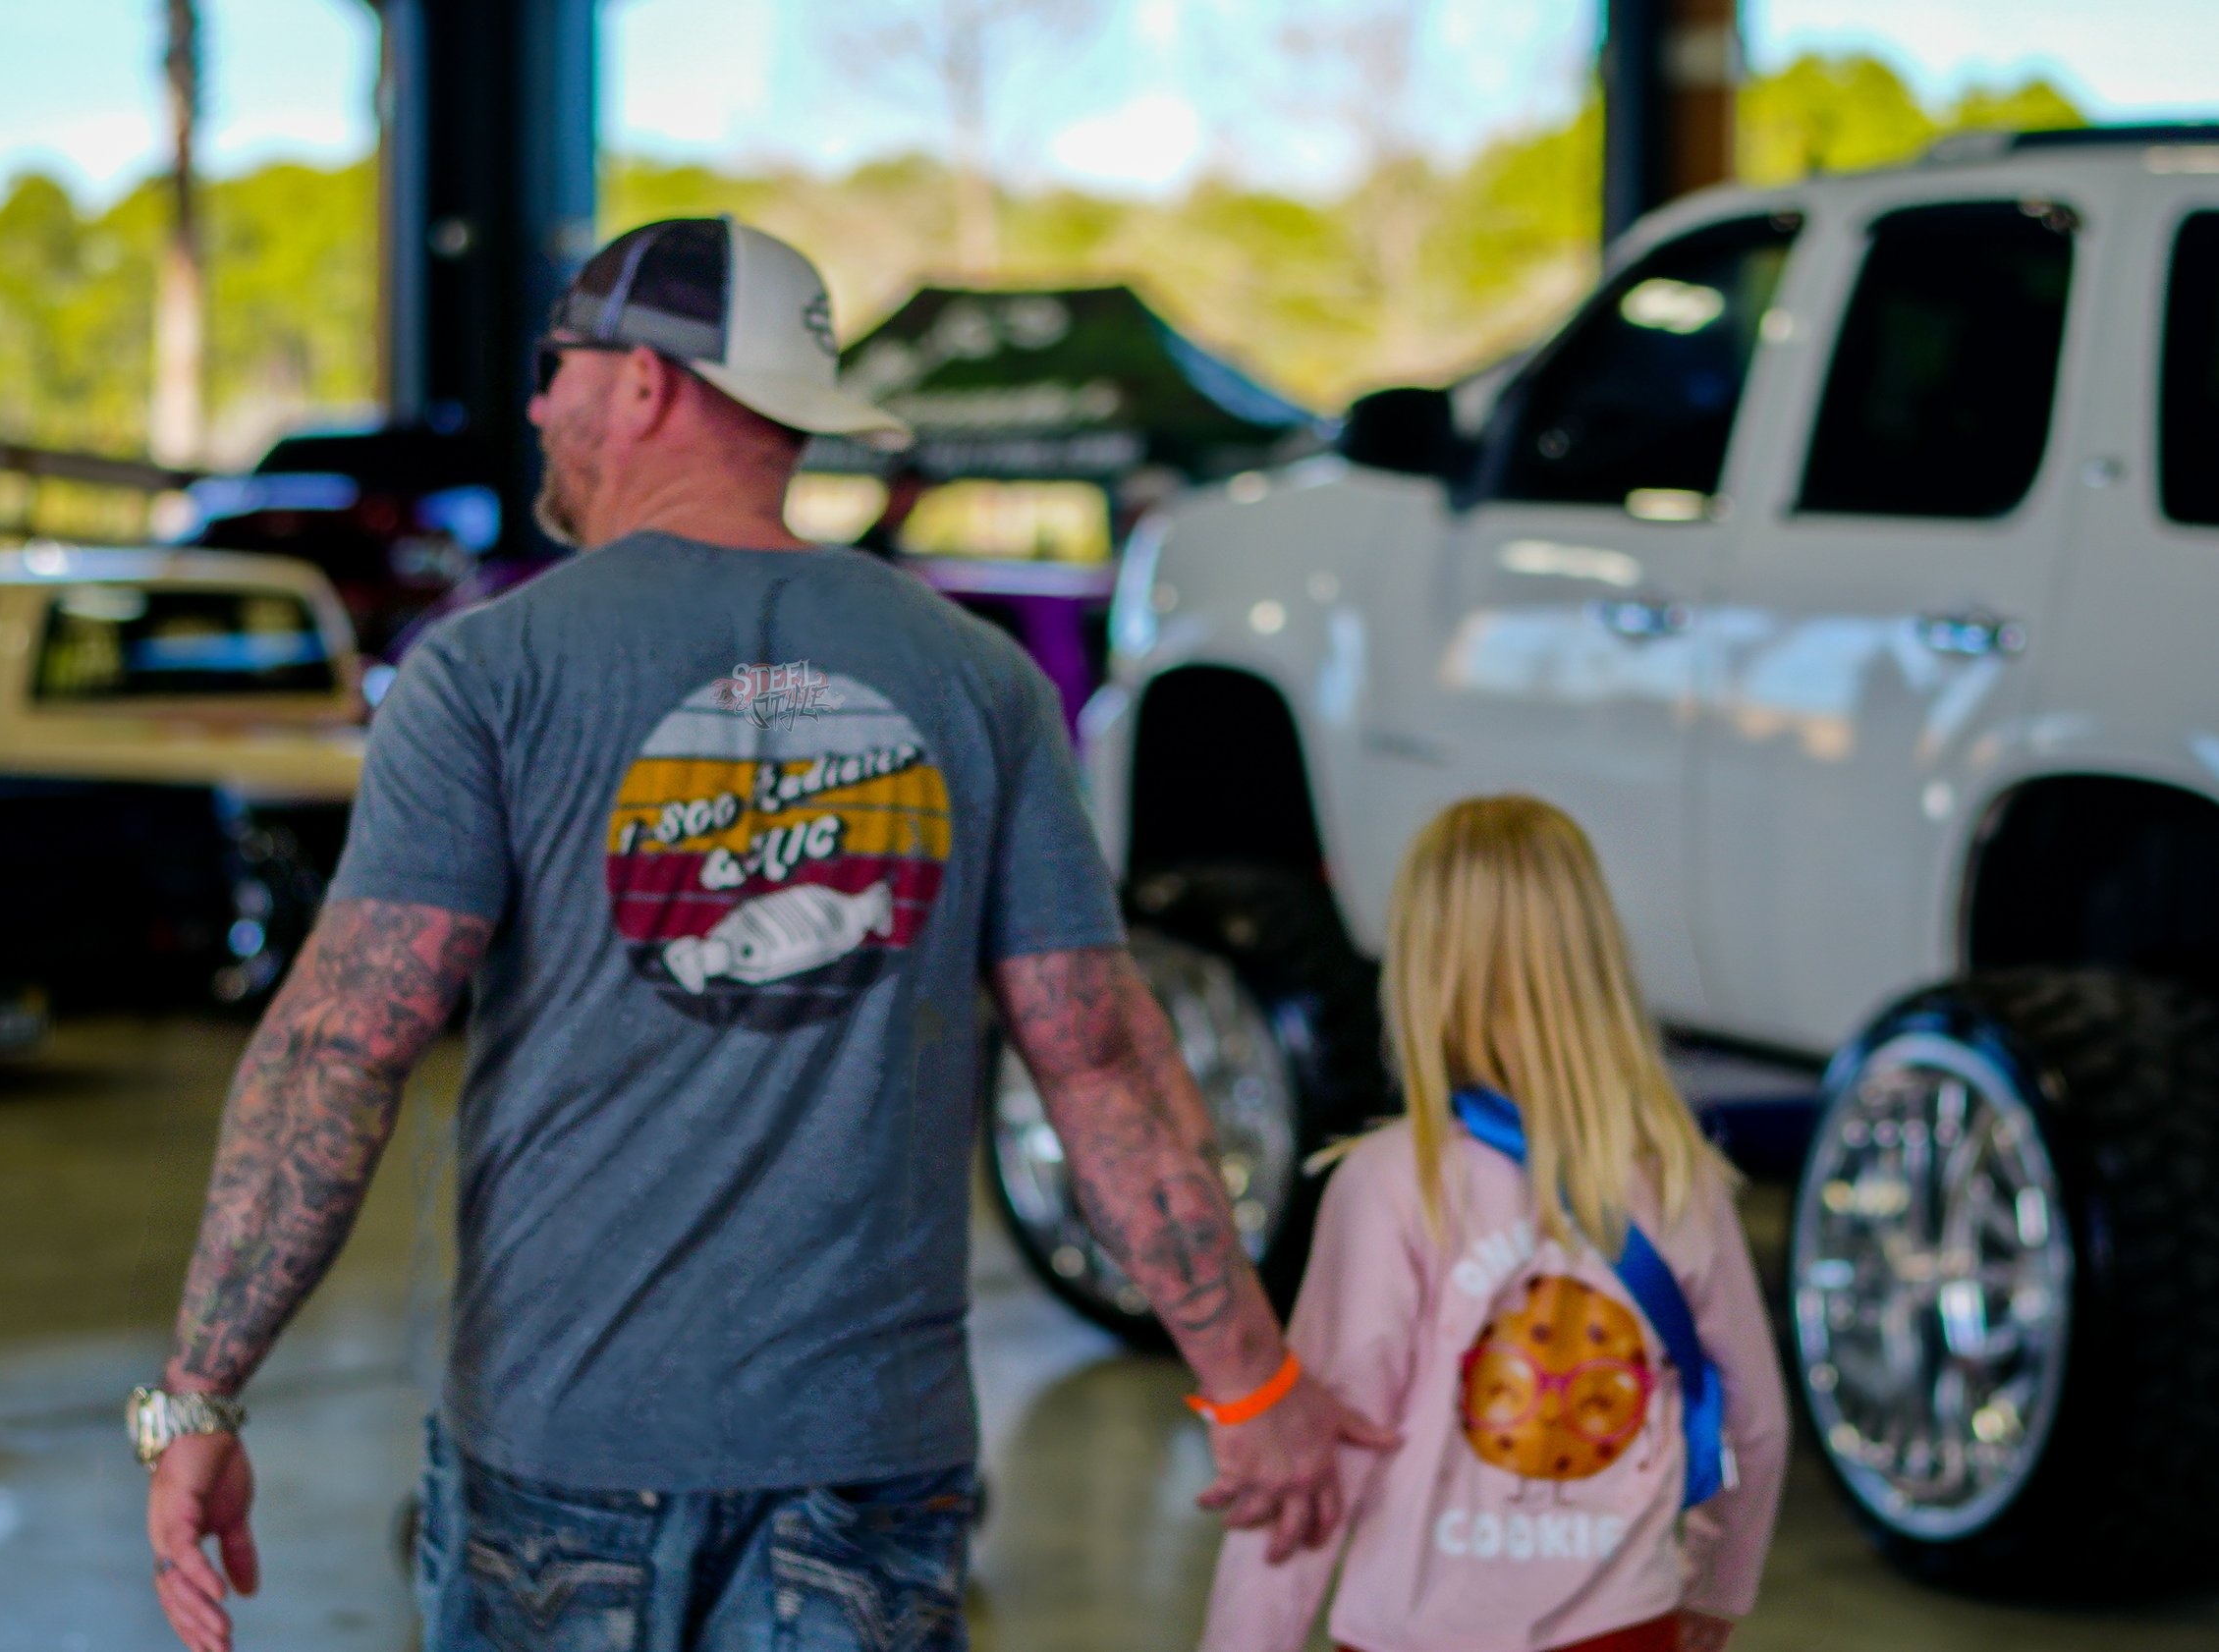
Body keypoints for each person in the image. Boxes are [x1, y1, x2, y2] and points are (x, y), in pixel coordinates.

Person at [139, 217, 1390, 1652]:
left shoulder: (488, 673)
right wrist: (1249, 1378)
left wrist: (200, 1393)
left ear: (650, 383)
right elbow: (1095, 1055)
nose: (540, 404)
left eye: (559, 365)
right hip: (866, 1468)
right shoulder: (973, 679)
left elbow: (339, 1050)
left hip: (564, 1458)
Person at [1201, 796, 1787, 1652]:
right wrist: (1717, 1585)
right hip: (1626, 1626)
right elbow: (1757, 1420)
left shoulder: (1395, 1185)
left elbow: (1320, 1464)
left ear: (1423, 968)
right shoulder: (1677, 1171)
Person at [852, 461, 927, 559]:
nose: (909, 503)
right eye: (907, 495)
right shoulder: (873, 543)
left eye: (915, 496)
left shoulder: (895, 537)